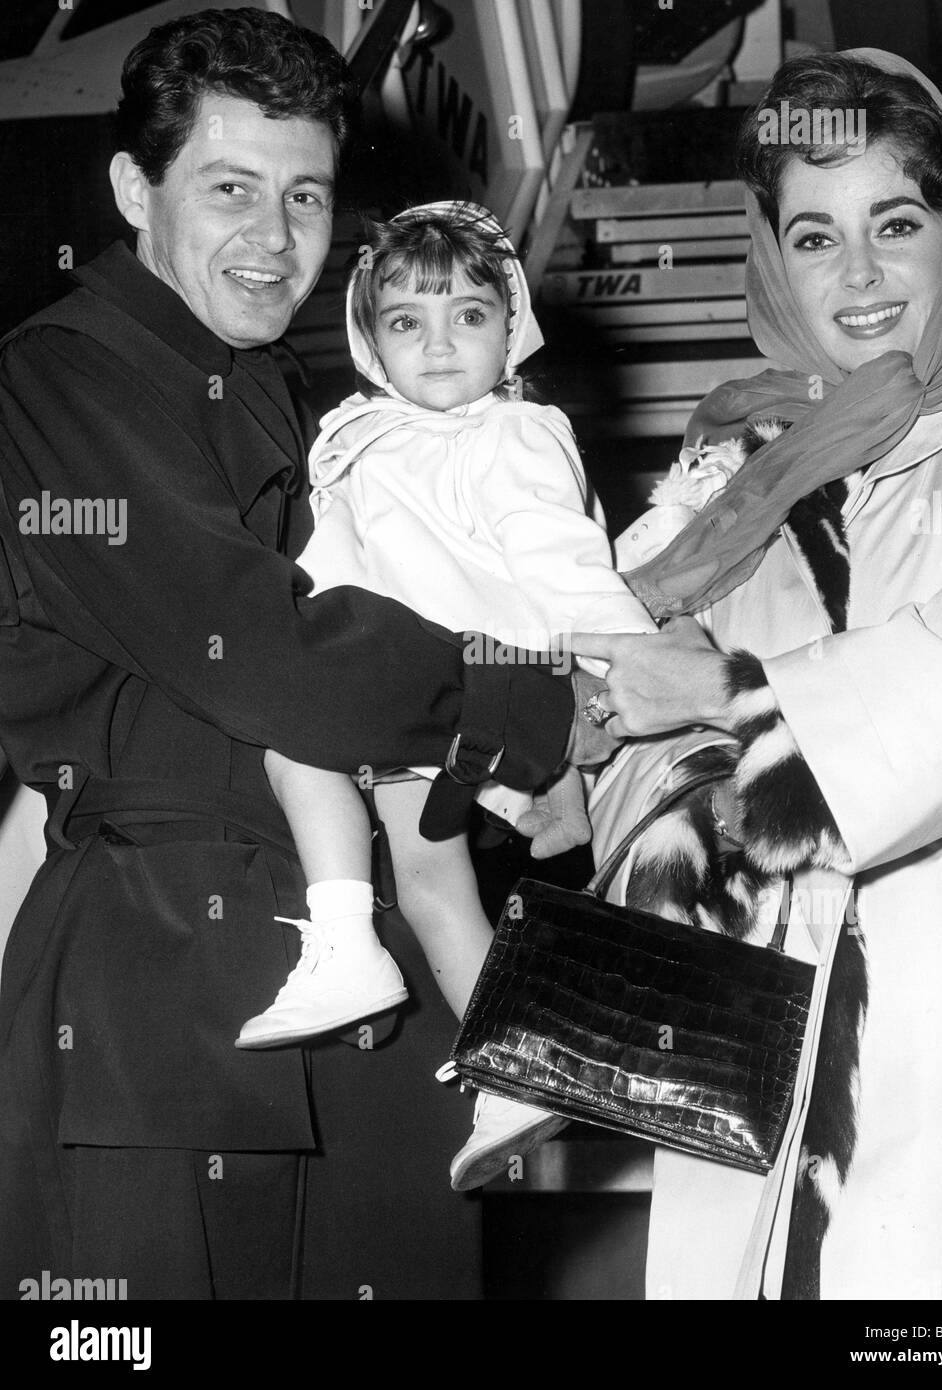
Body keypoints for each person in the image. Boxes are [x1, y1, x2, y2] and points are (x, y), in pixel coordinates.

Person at [0, 7, 616, 1300]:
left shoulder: (313, 402)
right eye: (230, 190)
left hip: (367, 990)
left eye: (307, 197)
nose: (274, 240)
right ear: (133, 189)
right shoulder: (59, 382)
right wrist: (527, 688)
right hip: (161, 1000)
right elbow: (263, 654)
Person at [574, 48, 942, 1300]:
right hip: (755, 1055)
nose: (863, 275)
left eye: (897, 221)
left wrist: (732, 704)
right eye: (816, 236)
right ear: (773, 256)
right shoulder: (724, 486)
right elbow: (602, 723)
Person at [236, 200, 654, 1190]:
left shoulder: (514, 431)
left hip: (478, 678)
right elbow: (325, 561)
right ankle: (459, 1026)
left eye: (467, 315)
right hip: (383, 676)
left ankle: (384, 965)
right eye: (406, 322)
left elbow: (564, 556)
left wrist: (621, 663)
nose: (437, 345)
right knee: (405, 861)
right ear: (369, 338)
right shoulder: (357, 436)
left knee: (421, 862)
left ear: (511, 328)